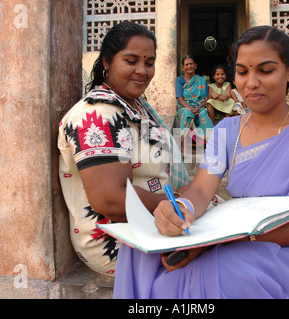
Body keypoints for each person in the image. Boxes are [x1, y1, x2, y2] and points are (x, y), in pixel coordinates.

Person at [113, 25, 289, 298]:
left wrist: (217, 244)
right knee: (139, 252)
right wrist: (180, 207)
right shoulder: (227, 131)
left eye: (265, 70)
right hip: (235, 237)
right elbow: (203, 188)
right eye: (242, 72)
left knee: (223, 270)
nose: (251, 83)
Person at [58, 21, 189, 276]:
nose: (142, 71)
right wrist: (174, 203)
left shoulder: (132, 106)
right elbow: (111, 198)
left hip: (149, 218)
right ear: (107, 61)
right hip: (116, 240)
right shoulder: (96, 115)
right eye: (131, 61)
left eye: (149, 63)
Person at [175, 55, 214, 143]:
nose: (189, 66)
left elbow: (206, 99)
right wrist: (192, 109)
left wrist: (198, 108)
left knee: (204, 113)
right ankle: (183, 144)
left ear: (195, 65)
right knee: (187, 113)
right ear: (183, 67)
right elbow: (180, 99)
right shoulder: (179, 80)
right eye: (187, 64)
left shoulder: (201, 80)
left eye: (191, 64)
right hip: (184, 108)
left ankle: (210, 142)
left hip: (199, 107)